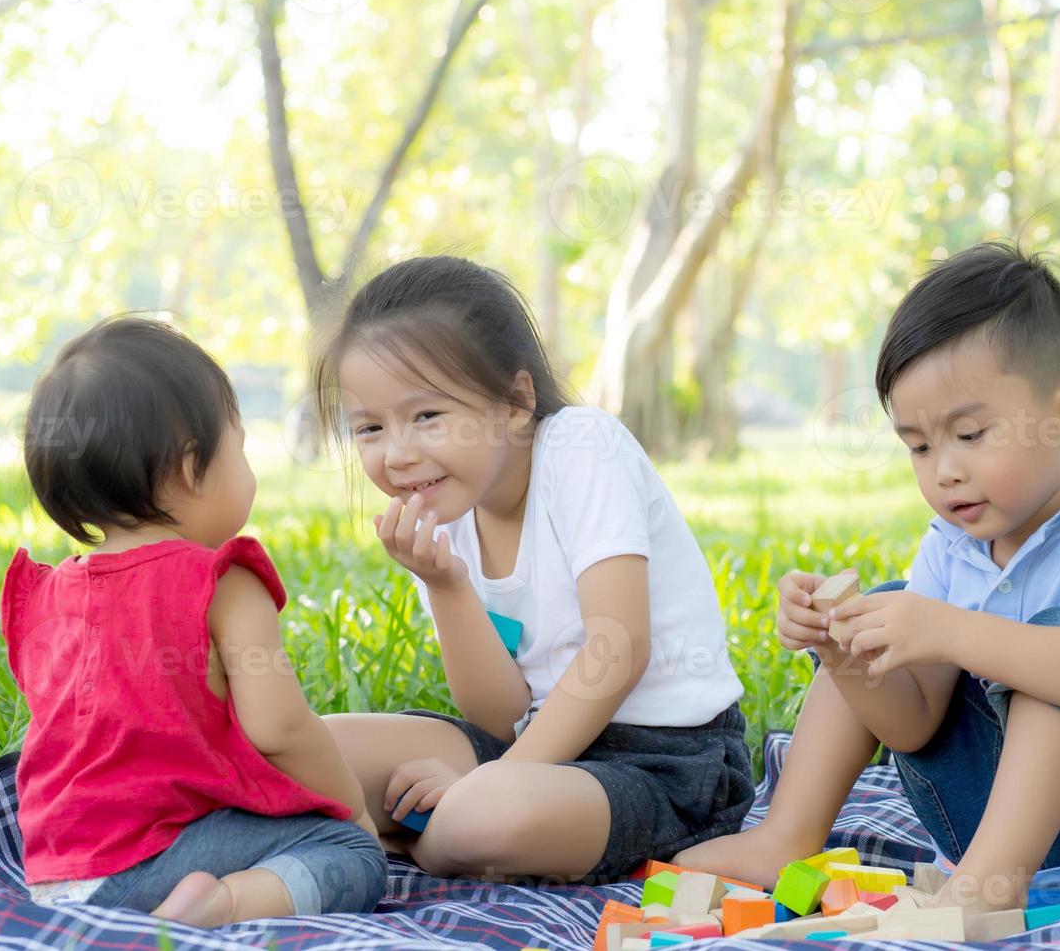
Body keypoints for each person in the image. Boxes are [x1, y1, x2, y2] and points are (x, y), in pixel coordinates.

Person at [678, 242, 1060, 916]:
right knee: (882, 611)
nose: (944, 471)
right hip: (973, 825)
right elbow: (912, 725)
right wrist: (843, 648)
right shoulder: (951, 550)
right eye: (920, 446)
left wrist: (953, 632)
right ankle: (788, 835)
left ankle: (987, 889)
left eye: (970, 434)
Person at [314, 255, 753, 883]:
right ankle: (429, 822)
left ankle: (417, 845)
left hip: (665, 764)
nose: (399, 454)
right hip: (529, 742)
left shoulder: (580, 447)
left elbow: (618, 647)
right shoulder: (441, 510)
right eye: (370, 428)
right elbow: (498, 711)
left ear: (516, 402)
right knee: (314, 750)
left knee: (483, 817)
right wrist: (447, 586)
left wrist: (494, 776)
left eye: (427, 416)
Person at [3, 317, 386, 926]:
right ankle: (216, 908)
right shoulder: (222, 583)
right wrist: (351, 805)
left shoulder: (49, 593)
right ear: (190, 468)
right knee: (351, 853)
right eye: (240, 447)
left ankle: (174, 901)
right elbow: (280, 729)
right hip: (152, 859)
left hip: (52, 873)